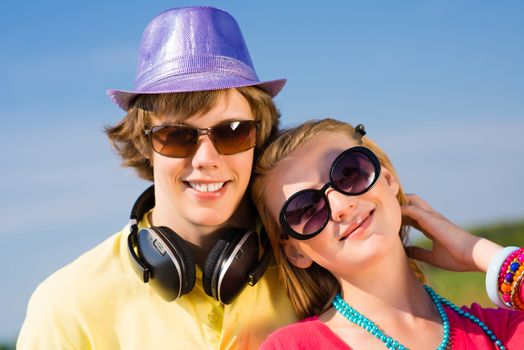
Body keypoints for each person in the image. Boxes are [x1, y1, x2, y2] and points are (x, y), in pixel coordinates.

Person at [17, 6, 297, 349]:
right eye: (177, 136)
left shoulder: (312, 274)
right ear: (144, 144)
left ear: (259, 137)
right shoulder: (66, 306)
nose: (206, 159)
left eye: (233, 132)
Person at [251, 118, 524, 349]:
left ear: (388, 178)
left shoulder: (499, 331)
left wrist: (481, 254)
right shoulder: (291, 347)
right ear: (296, 251)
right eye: (306, 209)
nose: (341, 206)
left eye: (348, 173)